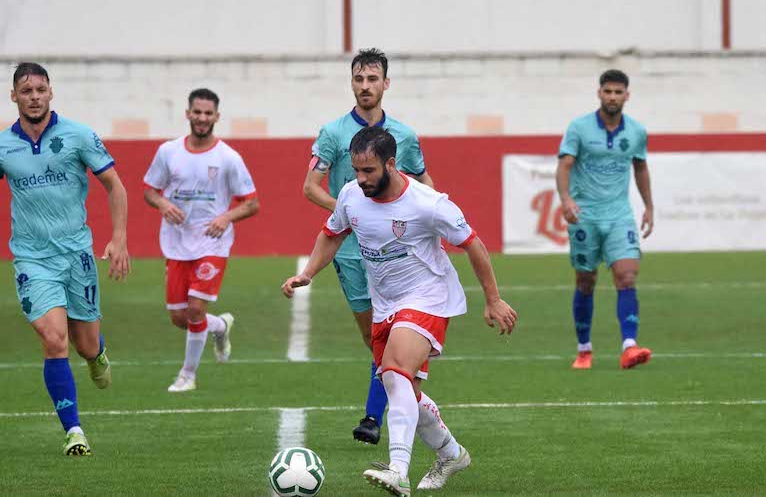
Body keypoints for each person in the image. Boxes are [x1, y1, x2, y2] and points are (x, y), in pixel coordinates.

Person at [284, 126, 516, 495]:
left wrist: (493, 298)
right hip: (385, 304)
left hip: (428, 296)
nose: (360, 179)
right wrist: (307, 273)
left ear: (390, 164)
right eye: (356, 171)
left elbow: (473, 244)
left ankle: (397, 470)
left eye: (369, 171)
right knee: (405, 391)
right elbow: (331, 234)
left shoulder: (428, 203)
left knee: (393, 374)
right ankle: (451, 454)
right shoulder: (350, 195)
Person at [303, 48, 435, 445]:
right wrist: (349, 213)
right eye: (359, 79)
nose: (365, 86)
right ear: (352, 83)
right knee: (372, 337)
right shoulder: (332, 133)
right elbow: (310, 187)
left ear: (385, 84)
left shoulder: (404, 136)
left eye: (372, 79)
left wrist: (436, 224)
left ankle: (375, 417)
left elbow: (426, 184)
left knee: (394, 332)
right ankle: (404, 393)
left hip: (397, 250)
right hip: (350, 252)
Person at [0, 62, 130, 455]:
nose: (34, 96)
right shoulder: (4, 145)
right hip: (31, 259)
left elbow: (115, 185)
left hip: (76, 255)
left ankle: (96, 353)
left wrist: (119, 239)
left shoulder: (78, 135)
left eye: (40, 89)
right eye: (26, 90)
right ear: (14, 97)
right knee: (53, 339)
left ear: (51, 93)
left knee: (84, 343)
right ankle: (74, 431)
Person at [143, 88, 259, 392]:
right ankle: (220, 325)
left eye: (208, 113)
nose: (202, 118)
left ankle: (188, 375)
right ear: (188, 114)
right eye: (197, 112)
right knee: (180, 317)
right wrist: (163, 204)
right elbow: (149, 191)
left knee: (195, 309)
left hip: (212, 243)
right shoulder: (168, 152)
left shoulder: (228, 158)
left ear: (217, 117)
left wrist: (225, 217)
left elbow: (251, 203)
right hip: (176, 243)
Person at [556, 69, 654, 370]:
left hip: (619, 215)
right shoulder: (579, 128)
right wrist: (566, 200)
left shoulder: (636, 131)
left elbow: (640, 168)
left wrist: (649, 206)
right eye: (608, 91)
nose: (613, 97)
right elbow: (564, 166)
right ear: (599, 93)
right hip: (585, 215)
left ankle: (629, 346)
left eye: (618, 92)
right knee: (586, 280)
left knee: (626, 275)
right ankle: (584, 350)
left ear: (627, 95)